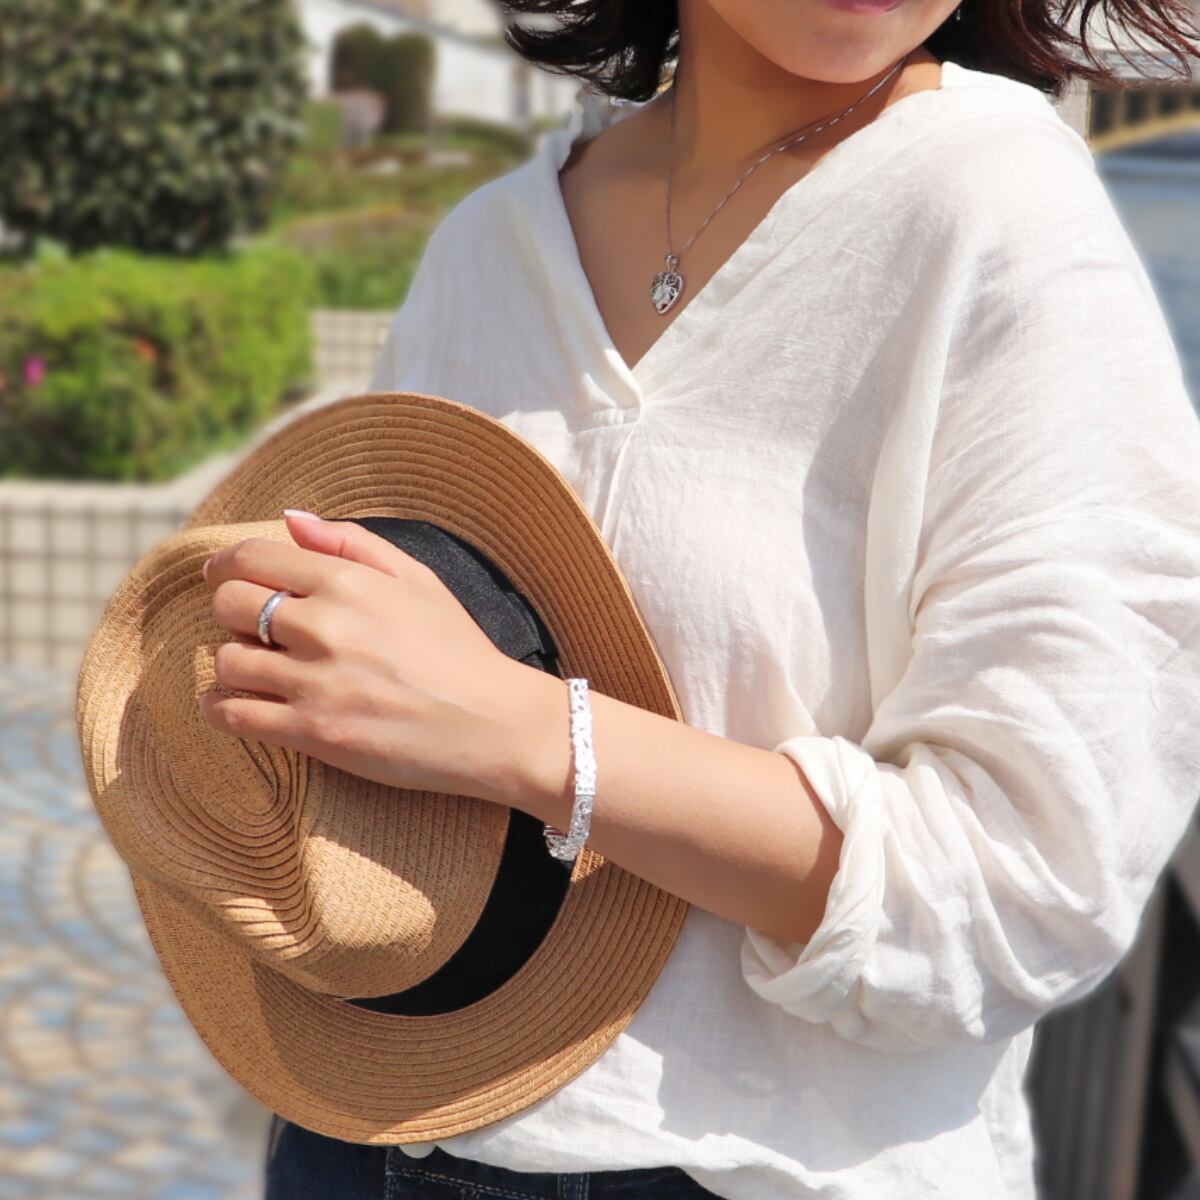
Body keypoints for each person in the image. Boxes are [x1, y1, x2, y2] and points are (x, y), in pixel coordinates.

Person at [198, 2, 1200, 1198]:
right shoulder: (490, 249)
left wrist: (529, 733)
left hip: (748, 1170)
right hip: (359, 1129)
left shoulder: (1002, 213)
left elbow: (1030, 879)